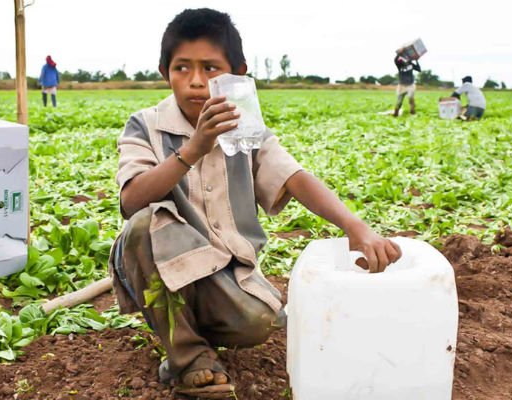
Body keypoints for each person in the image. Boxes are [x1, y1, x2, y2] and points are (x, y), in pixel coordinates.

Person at [108, 8, 401, 399]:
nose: (196, 82)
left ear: (236, 74)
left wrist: (355, 226)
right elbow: (131, 200)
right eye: (182, 68)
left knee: (258, 323)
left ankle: (188, 329)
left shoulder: (246, 128)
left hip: (222, 270)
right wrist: (194, 149)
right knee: (146, 223)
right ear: (165, 72)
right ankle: (188, 357)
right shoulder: (145, 125)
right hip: (160, 259)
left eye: (211, 68)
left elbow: (294, 178)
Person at [393, 51, 421, 116]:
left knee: (411, 99)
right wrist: (399, 53)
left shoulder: (411, 64)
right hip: (401, 85)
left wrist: (416, 61)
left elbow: (419, 69)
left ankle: (412, 113)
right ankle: (395, 114)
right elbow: (395, 60)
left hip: (410, 85)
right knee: (399, 102)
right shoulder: (399, 65)